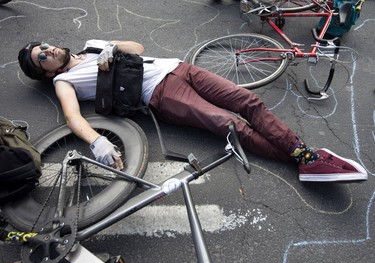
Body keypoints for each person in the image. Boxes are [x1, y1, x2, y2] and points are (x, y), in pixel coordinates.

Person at [17, 39, 368, 182]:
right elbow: (73, 117)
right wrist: (97, 142)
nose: (48, 50)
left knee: (248, 102)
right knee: (230, 124)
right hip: (160, 94)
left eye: (44, 46)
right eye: (41, 57)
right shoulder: (66, 82)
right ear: (45, 73)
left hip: (180, 68)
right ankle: (305, 160)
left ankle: (303, 156)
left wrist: (109, 47)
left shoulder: (90, 46)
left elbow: (136, 47)